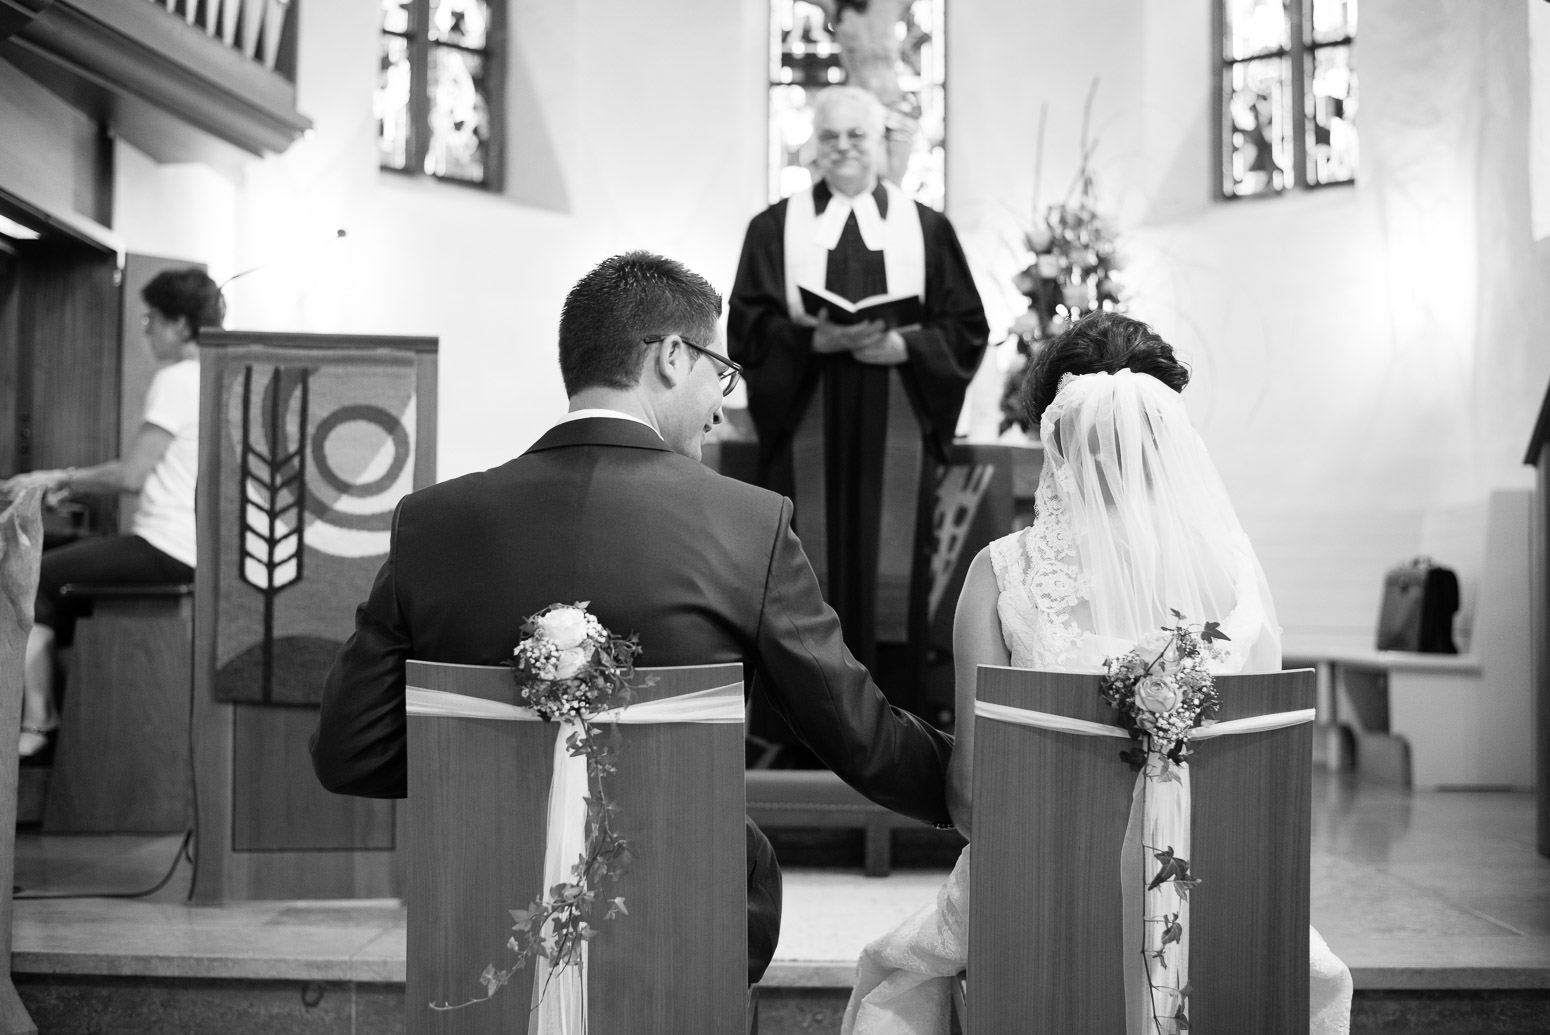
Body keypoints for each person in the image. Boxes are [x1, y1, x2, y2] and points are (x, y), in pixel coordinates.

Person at [310, 251, 954, 984]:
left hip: (484, 914)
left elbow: (348, 751)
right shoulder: (746, 524)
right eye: (724, 374)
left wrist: (496, 776)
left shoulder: (432, 522)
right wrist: (986, 784)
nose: (723, 404)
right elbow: (857, 732)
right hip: (686, 919)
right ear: (674, 357)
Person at [841, 312, 1353, 1034]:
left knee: (899, 980)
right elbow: (1261, 789)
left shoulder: (1002, 574)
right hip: (1217, 905)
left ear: (1053, 431)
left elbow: (969, 799)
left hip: (1039, 900)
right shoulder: (1239, 579)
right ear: (1170, 432)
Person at [729, 85, 988, 730]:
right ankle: (800, 722)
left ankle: (892, 720)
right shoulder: (773, 227)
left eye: (857, 136)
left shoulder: (926, 227)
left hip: (896, 410)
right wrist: (809, 339)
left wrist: (905, 344)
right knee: (801, 558)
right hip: (807, 415)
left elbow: (966, 326)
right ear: (813, 145)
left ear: (882, 146)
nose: (843, 147)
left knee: (892, 572)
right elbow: (748, 328)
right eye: (832, 136)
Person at [2, 267, 221, 763]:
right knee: (66, 590)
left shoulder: (176, 379)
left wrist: (55, 477)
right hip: (193, 548)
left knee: (36, 574)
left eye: (152, 321)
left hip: (165, 545)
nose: (146, 333)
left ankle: (40, 722)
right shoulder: (215, 373)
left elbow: (131, 475)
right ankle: (81, 721)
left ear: (182, 325)